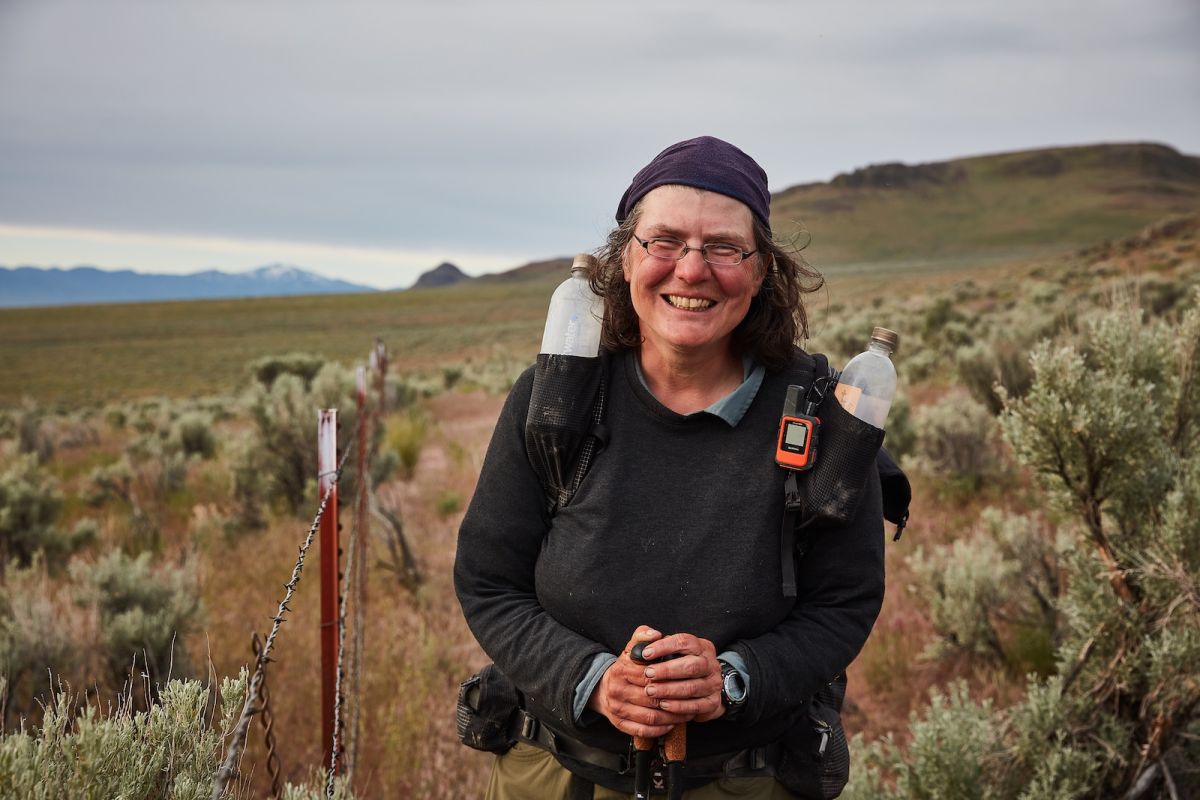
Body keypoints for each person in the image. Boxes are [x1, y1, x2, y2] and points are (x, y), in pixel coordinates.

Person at [454, 136, 885, 799]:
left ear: (762, 270)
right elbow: (488, 581)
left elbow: (844, 601)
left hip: (745, 780)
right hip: (556, 773)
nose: (691, 270)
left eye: (724, 248)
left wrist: (734, 679)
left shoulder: (821, 415)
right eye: (665, 241)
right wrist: (593, 680)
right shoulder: (557, 401)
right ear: (625, 258)